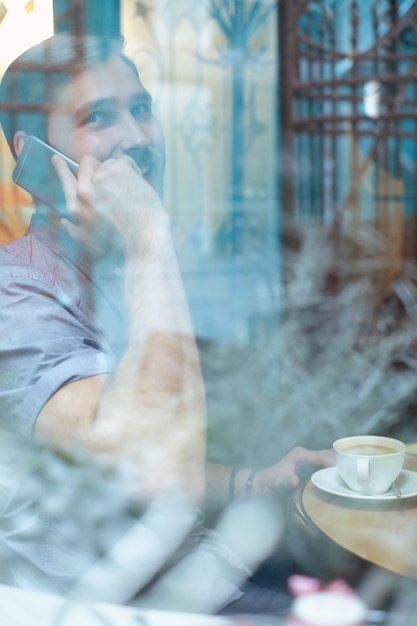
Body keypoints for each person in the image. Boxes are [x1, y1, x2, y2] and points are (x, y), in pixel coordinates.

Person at [0, 32, 333, 612]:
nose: (136, 137)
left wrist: (251, 482)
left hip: (204, 571)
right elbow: (153, 466)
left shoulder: (116, 269)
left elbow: (114, 460)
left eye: (142, 108)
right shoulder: (15, 294)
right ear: (34, 155)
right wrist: (149, 238)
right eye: (98, 117)